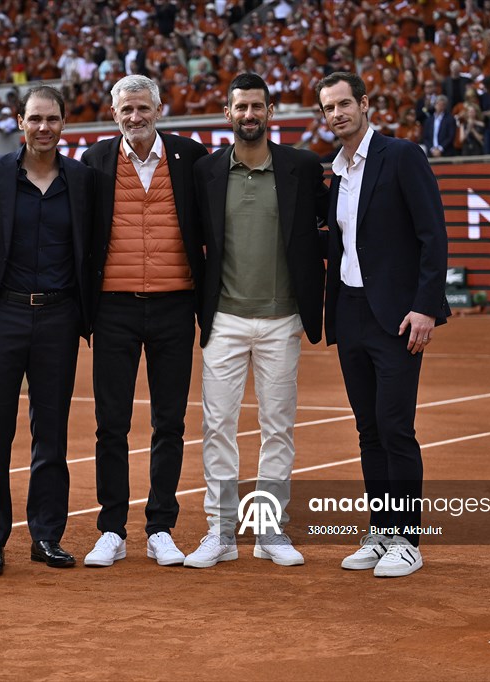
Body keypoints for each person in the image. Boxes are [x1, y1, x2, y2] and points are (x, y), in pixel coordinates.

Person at [183, 72, 328, 569]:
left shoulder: (303, 168)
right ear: (228, 114)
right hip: (223, 319)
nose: (249, 115)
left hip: (282, 320)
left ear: (271, 112)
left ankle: (270, 532)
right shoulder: (206, 171)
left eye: (257, 107)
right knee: (217, 426)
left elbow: (329, 229)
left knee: (277, 428)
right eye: (240, 107)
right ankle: (221, 532)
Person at [317, 71, 450, 578]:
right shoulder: (336, 172)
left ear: (364, 104)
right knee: (368, 430)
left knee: (396, 429)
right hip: (350, 314)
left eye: (344, 104)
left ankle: (408, 540)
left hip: (397, 318)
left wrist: (426, 306)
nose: (337, 114)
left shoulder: (402, 156)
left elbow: (433, 236)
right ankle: (380, 531)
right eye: (329, 108)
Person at [79, 75, 207, 568]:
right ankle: (112, 528)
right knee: (110, 424)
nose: (135, 117)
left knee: (168, 422)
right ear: (114, 114)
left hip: (176, 306)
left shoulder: (191, 157)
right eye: (126, 109)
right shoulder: (95, 161)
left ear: (160, 109)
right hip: (114, 308)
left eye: (142, 108)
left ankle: (160, 527)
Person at [0, 86, 94, 576]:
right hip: (2, 317)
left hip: (60, 318)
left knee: (52, 435)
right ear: (19, 120)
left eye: (54, 119)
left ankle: (46, 535)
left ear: (64, 124)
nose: (45, 128)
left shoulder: (83, 179)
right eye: (36, 118)